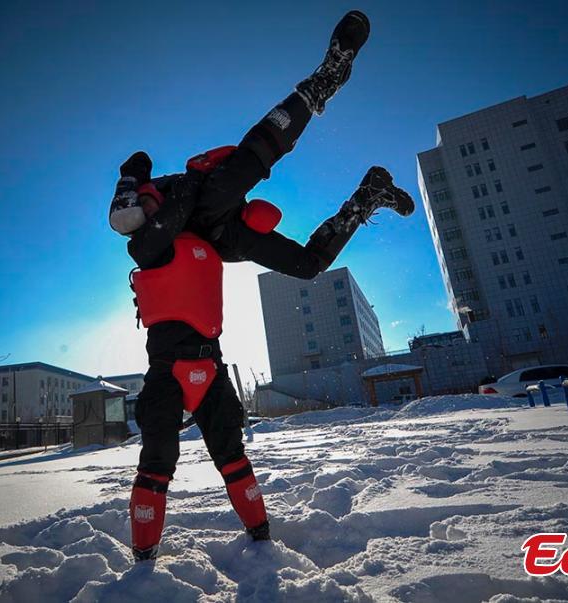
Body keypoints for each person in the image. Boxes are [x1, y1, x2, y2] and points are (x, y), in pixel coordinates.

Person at [108, 10, 414, 562]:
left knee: (255, 164)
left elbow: (156, 199)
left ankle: (327, 77)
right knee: (306, 265)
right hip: (195, 299)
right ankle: (367, 196)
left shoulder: (178, 200)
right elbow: (134, 223)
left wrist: (144, 179)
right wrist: (136, 184)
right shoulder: (146, 243)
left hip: (205, 213)